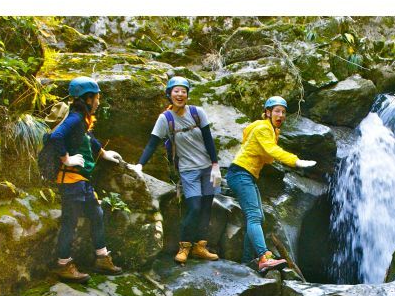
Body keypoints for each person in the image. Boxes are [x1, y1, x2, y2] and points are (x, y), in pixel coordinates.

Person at [131, 76, 222, 265]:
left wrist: (215, 165)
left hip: (207, 168)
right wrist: (140, 165)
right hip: (188, 170)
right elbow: (152, 144)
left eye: (183, 91)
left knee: (206, 207)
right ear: (169, 94)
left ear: (187, 94)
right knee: (195, 207)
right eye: (176, 91)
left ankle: (200, 247)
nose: (180, 95)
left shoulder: (198, 113)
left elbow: (208, 140)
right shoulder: (165, 119)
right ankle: (185, 246)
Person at [225, 96, 316, 273]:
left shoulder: (272, 131)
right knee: (254, 216)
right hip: (239, 173)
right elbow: (272, 151)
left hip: (247, 175)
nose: (280, 115)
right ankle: (263, 257)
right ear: (268, 113)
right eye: (276, 111)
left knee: (259, 217)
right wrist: (295, 161)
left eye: (283, 112)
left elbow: (266, 154)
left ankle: (247, 261)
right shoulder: (262, 128)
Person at [49, 76, 123, 283]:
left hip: (81, 181)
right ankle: (63, 265)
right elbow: (56, 137)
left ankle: (101, 257)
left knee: (96, 214)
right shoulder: (74, 118)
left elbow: (88, 139)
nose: (99, 102)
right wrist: (67, 158)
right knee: (70, 223)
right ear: (88, 99)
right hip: (71, 182)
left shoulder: (81, 119)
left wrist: (104, 153)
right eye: (97, 97)